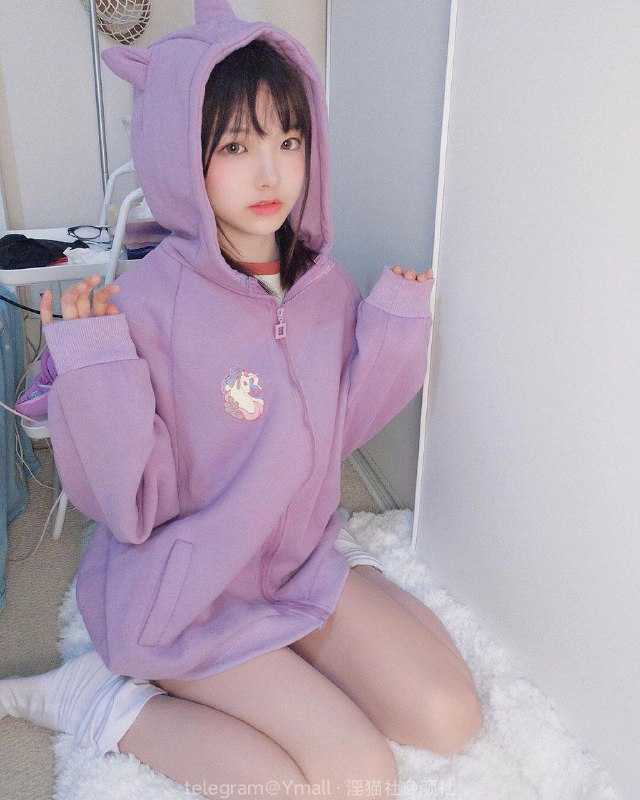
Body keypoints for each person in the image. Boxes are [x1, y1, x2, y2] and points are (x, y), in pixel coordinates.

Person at [1, 1, 482, 796]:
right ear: (180, 153)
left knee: (451, 718)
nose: (271, 175)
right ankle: (104, 705)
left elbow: (334, 430)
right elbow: (128, 506)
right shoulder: (142, 308)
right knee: (356, 776)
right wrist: (96, 369)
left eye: (289, 141)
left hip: (295, 565)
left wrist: (394, 333)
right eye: (235, 146)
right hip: (188, 597)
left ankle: (308, 630)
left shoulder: (324, 286)